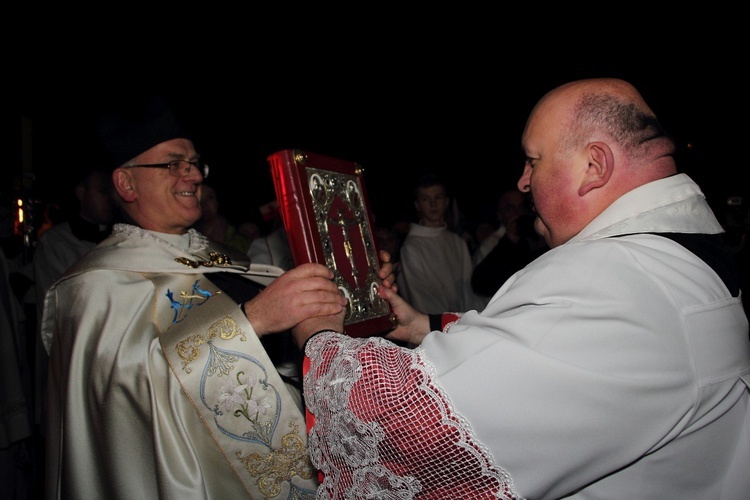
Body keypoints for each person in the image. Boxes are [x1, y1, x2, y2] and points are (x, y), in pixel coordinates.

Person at [288, 78, 750, 499]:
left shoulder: (616, 276)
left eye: (533, 160)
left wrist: (319, 337)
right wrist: (422, 326)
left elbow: (414, 425)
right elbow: (548, 346)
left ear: (594, 165)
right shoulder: (670, 254)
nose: (523, 181)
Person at [40, 97, 395, 499]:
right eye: (173, 163)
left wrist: (355, 291)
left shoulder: (223, 259)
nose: (192, 174)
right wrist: (252, 320)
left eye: (194, 163)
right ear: (126, 183)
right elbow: (120, 403)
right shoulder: (93, 286)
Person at [396, 173, 484, 313]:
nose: (433, 204)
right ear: (417, 205)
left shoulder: (457, 242)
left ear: (446, 202)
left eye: (438, 197)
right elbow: (420, 297)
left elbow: (468, 288)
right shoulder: (411, 247)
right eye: (426, 199)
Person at [471, 190, 548, 306]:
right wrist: (509, 243)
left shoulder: (542, 236)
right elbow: (482, 285)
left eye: (522, 207)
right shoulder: (491, 245)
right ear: (500, 215)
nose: (518, 213)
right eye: (510, 209)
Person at [193, 183, 253, 254]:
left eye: (210, 197)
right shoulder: (187, 238)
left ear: (217, 201)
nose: (204, 204)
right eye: (198, 199)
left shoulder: (240, 236)